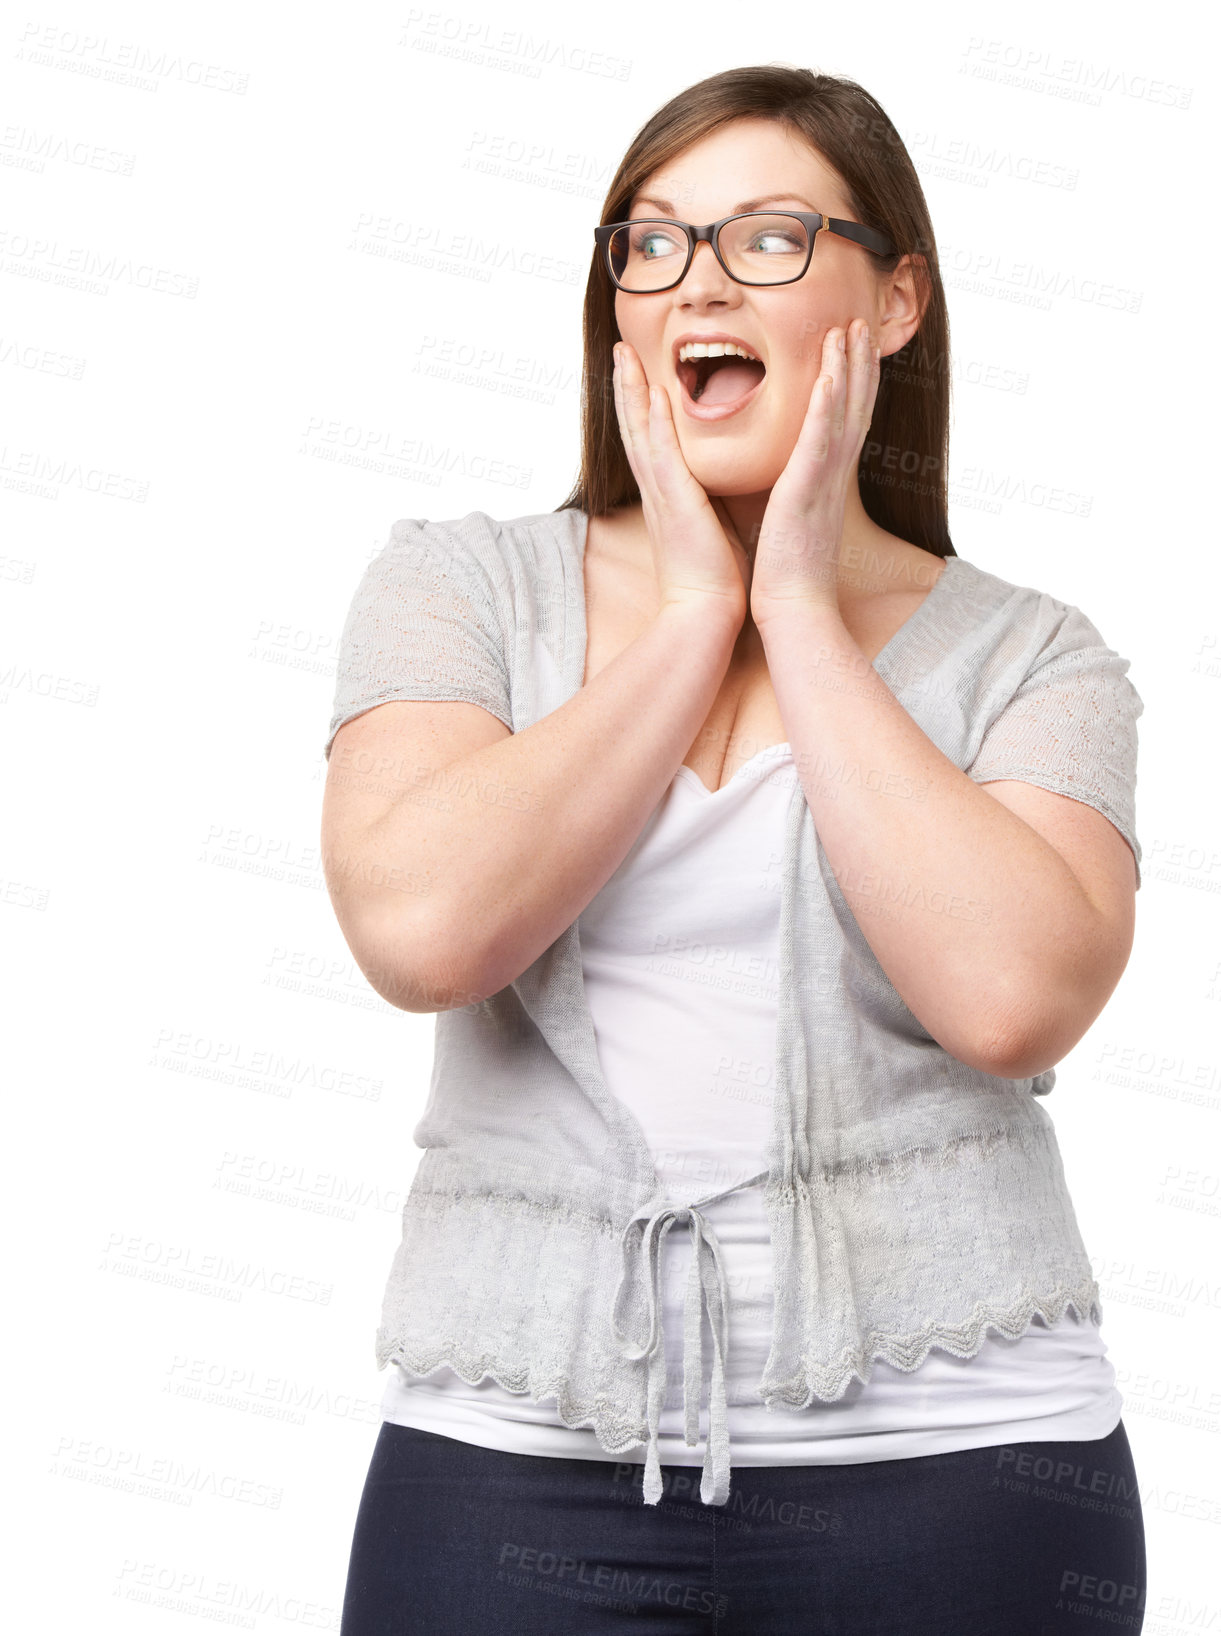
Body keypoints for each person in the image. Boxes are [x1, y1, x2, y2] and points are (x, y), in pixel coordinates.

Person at [323, 65, 1147, 1635]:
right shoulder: (459, 592)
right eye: (652, 243)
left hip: (960, 1466)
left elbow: (1010, 1000)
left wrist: (795, 613)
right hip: (510, 1461)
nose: (697, 278)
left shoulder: (1038, 660)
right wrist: (694, 617)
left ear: (894, 301)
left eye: (768, 237)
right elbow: (423, 932)